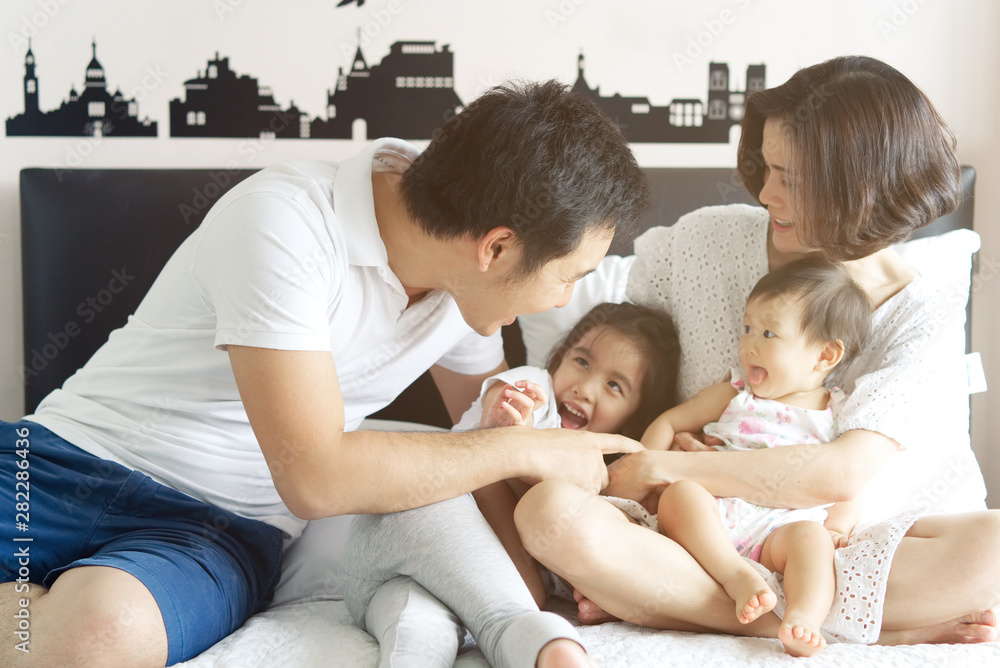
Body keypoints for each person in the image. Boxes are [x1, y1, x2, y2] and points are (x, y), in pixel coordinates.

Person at [0, 80, 651, 667]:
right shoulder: (285, 221)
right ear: (497, 248)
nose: (562, 302)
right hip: (56, 462)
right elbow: (317, 474)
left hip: (214, 529)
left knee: (96, 636)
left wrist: (548, 583)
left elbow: (489, 455)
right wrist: (525, 445)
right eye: (569, 276)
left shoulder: (462, 293)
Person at [514, 55, 1000, 649]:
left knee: (992, 553)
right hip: (692, 535)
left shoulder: (921, 305)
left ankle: (714, 604)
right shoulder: (700, 242)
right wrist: (652, 463)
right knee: (549, 515)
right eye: (768, 168)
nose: (767, 194)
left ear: (864, 186)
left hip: (828, 542)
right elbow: (629, 380)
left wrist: (679, 466)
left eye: (791, 179)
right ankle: (862, 625)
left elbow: (840, 473)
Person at [344, 302, 681, 668]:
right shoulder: (537, 392)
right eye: (581, 362)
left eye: (614, 385)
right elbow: (504, 398)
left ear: (631, 424)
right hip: (419, 511)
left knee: (417, 623)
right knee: (517, 604)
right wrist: (511, 421)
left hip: (403, 580)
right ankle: (548, 649)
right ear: (557, 360)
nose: (584, 387)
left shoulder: (599, 476)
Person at [634, 259, 871, 656]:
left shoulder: (838, 412)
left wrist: (838, 526)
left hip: (783, 525)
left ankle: (803, 618)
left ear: (826, 355)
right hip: (717, 510)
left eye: (767, 333)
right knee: (681, 495)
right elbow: (672, 421)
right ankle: (735, 575)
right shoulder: (736, 391)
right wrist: (645, 466)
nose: (749, 345)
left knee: (813, 544)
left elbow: (850, 478)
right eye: (746, 329)